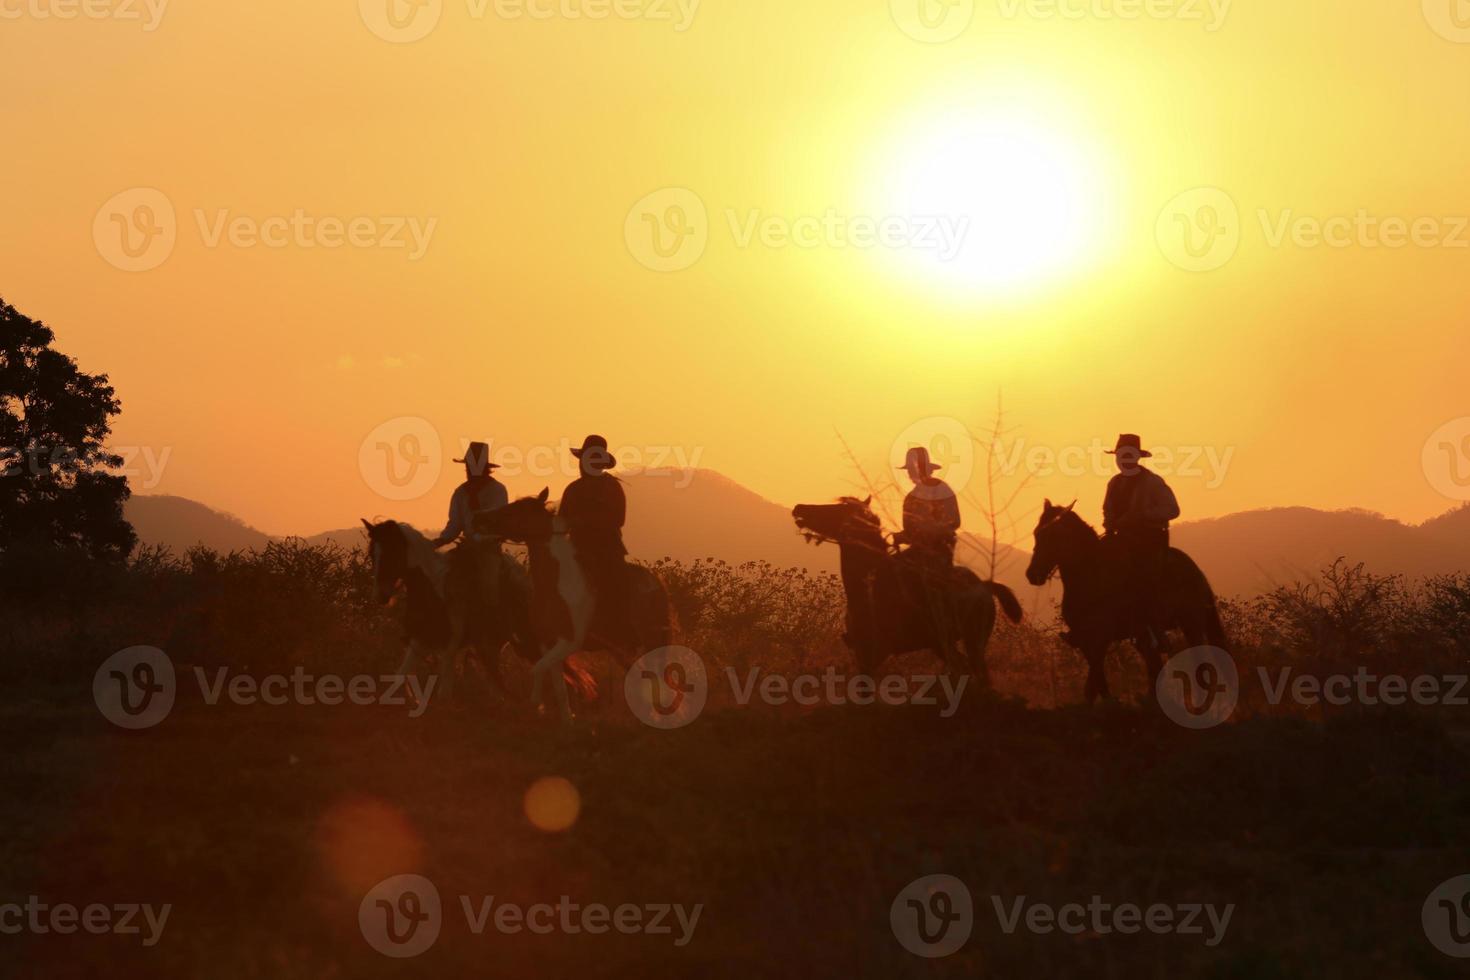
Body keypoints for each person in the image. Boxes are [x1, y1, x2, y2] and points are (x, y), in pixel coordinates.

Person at [1101, 433, 1180, 639]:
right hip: (1121, 537)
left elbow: (1172, 509)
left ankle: (1155, 625)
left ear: (1137, 458)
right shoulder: (1114, 483)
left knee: (1145, 574)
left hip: (1150, 537)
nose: (1123, 460)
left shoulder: (1153, 482)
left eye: (1127, 456)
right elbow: (1107, 510)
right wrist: (1110, 523)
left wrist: (1144, 516)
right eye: (1120, 456)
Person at [559, 434, 630, 632]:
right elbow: (561, 523)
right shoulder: (572, 489)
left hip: (607, 549)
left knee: (611, 585)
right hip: (576, 550)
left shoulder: (611, 487)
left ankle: (617, 626)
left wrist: (584, 522)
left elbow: (618, 519)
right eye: (584, 460)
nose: (583, 464)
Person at [433, 440, 509, 619]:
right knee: (439, 575)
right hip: (466, 548)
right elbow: (454, 526)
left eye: (471, 467)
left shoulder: (497, 491)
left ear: (484, 469)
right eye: (467, 467)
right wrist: (438, 542)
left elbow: (497, 524)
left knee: (490, 585)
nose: (468, 471)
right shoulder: (460, 493)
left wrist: (480, 532)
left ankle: (494, 622)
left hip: (488, 550)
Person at [894, 446, 961, 568]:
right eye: (909, 470)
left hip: (940, 553)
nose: (909, 473)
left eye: (912, 469)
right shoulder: (910, 498)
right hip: (917, 554)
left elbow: (954, 522)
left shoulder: (941, 489)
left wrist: (928, 533)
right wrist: (901, 536)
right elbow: (910, 531)